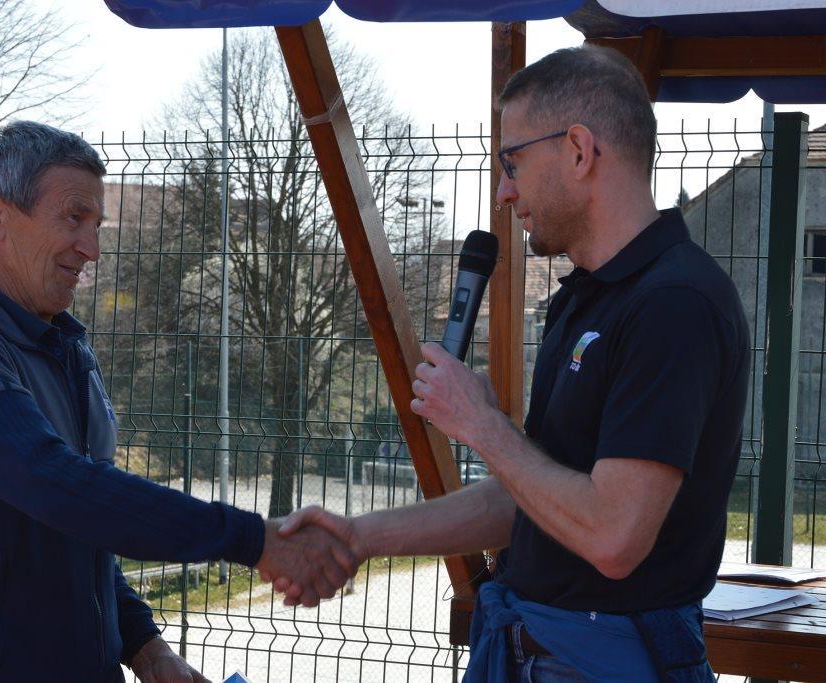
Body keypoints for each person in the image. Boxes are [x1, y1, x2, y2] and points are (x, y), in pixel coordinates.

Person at [278, 46, 750, 682]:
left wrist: (483, 426)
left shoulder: (674, 304)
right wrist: (358, 536)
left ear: (579, 150)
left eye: (512, 162)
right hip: (534, 651)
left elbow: (612, 537)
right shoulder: (586, 297)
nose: (504, 191)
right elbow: (531, 497)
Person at [0, 121, 356, 683]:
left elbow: (82, 529)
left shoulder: (68, 349)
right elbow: (58, 488)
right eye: (73, 218)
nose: (92, 249)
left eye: (96, 225)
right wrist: (253, 540)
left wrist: (144, 646)